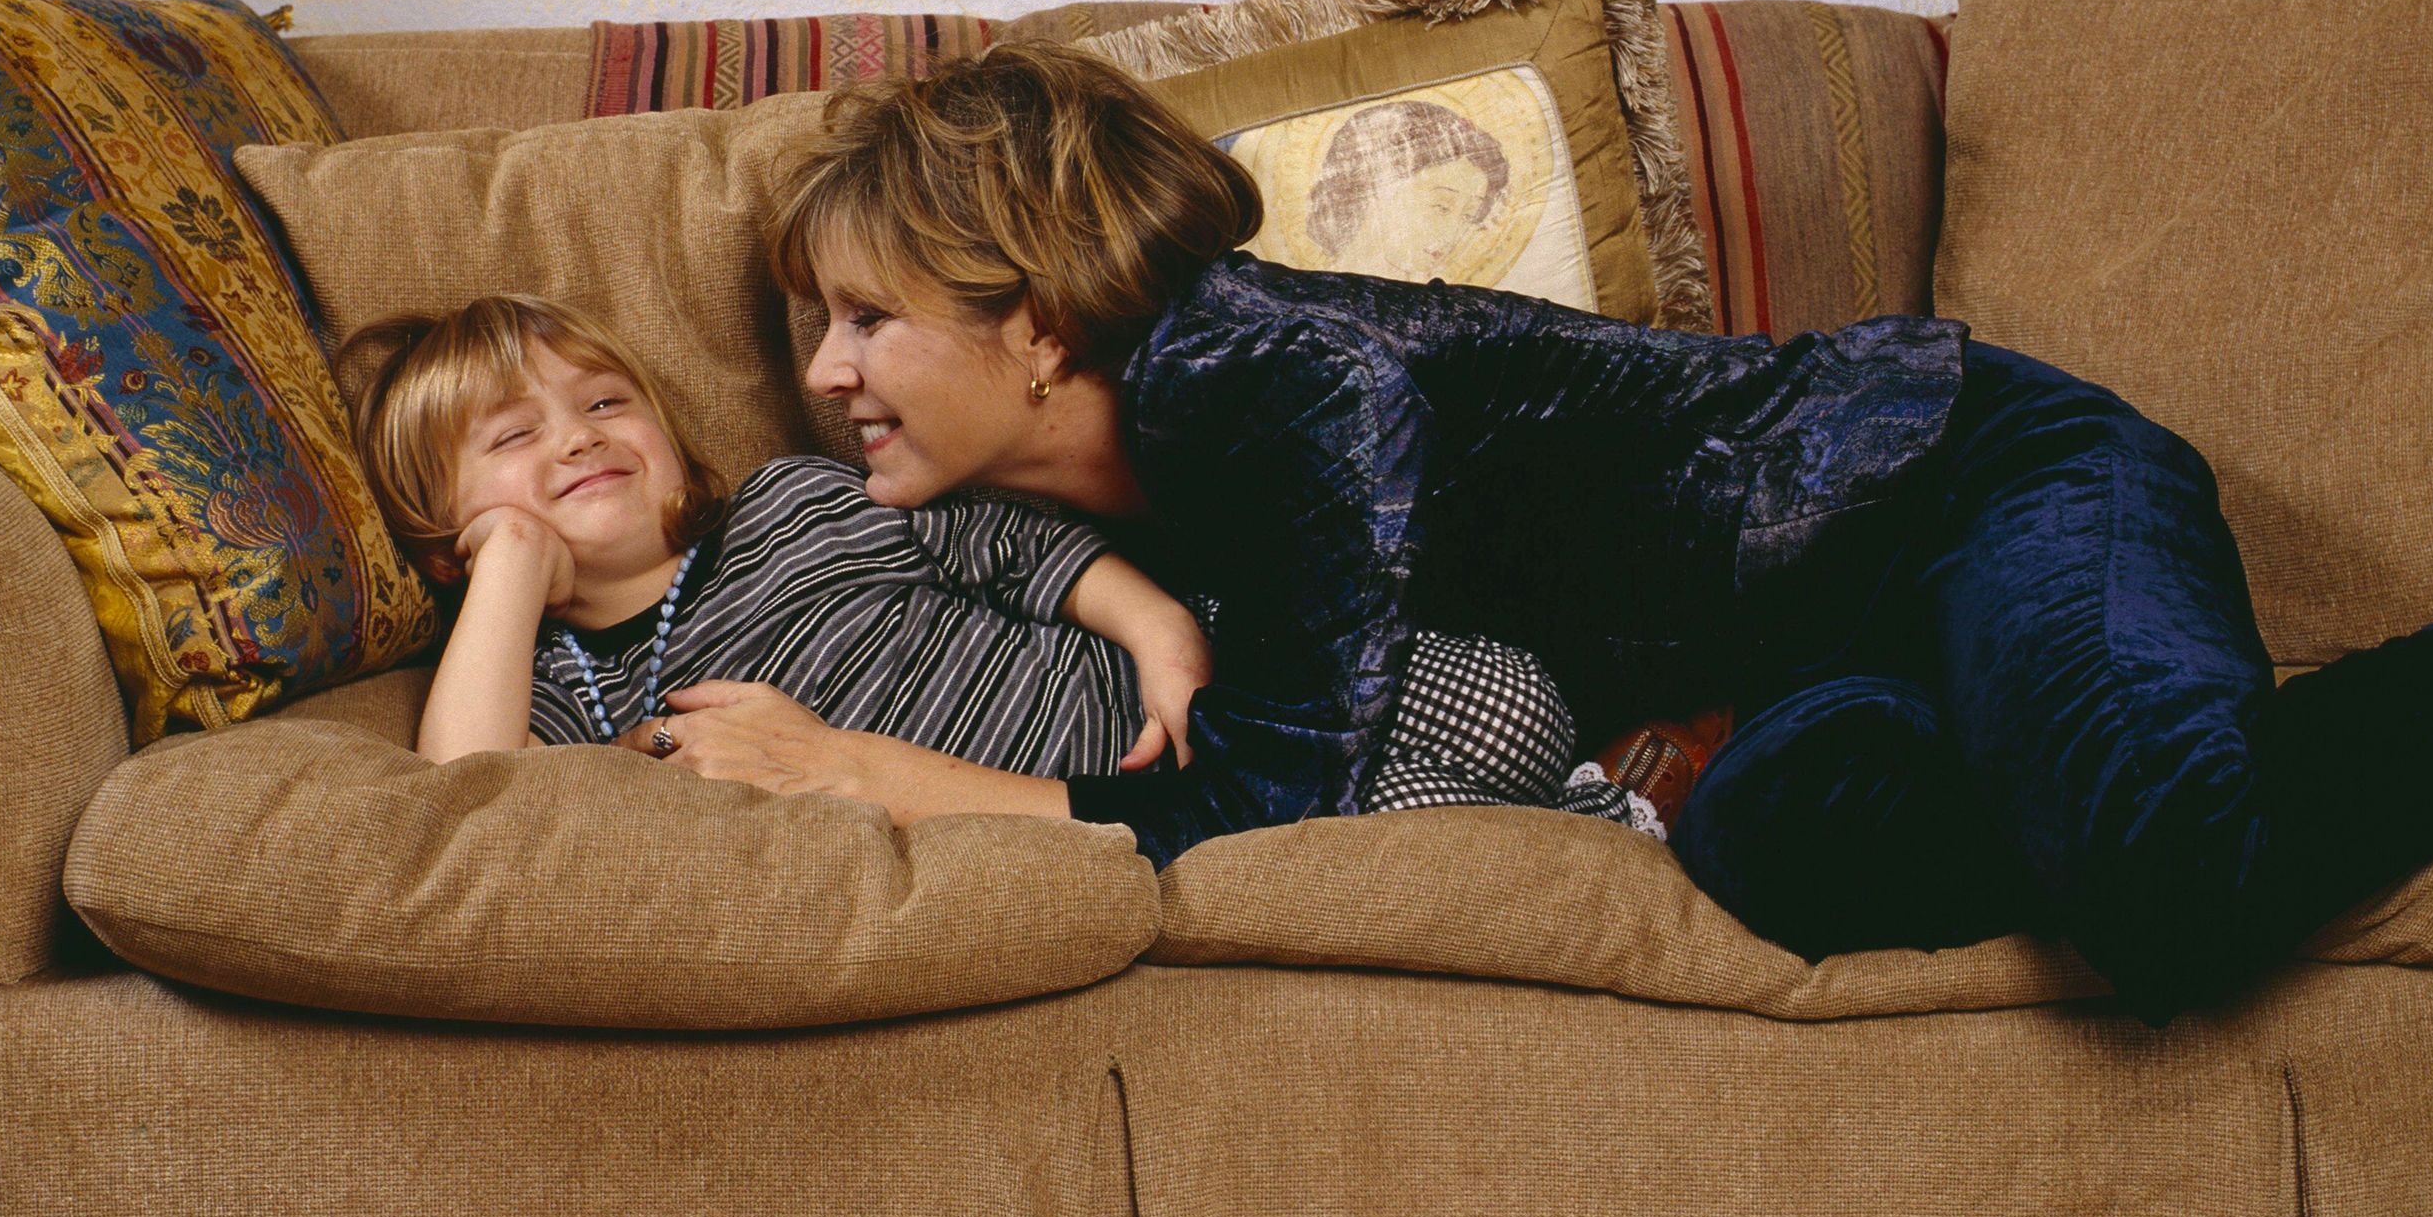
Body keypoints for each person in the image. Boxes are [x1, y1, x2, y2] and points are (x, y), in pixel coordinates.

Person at [641, 44, 2433, 1027]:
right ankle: (2257, 752)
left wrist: (870, 777)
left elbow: (1271, 798)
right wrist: (1142, 612)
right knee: (1786, 847)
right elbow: (946, 570)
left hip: (1981, 482)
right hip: (1825, 667)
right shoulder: (1124, 477)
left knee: (2164, 877)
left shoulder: (1264, 380)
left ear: (1039, 317)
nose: (821, 374)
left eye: (866, 320)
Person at [342, 291, 1646, 826]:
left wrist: (1157, 633)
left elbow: (1015, 546)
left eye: (608, 402)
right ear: (445, 538)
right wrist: (513, 568)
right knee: (1417, 835)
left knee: (1514, 699)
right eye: (515, 440)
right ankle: (1606, 840)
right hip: (1074, 811)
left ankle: (1595, 782)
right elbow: (468, 809)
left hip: (1173, 696)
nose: (580, 437)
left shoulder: (793, 500)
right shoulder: (563, 702)